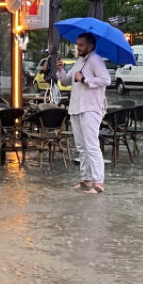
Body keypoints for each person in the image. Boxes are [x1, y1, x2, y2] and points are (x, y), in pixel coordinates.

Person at [55, 31, 112, 194]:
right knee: (81, 146)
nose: (78, 48)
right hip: (76, 108)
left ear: (90, 45)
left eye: (81, 45)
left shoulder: (95, 60)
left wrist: (85, 80)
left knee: (91, 145)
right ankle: (86, 179)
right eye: (77, 45)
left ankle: (99, 182)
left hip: (90, 108)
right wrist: (61, 70)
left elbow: (106, 79)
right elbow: (66, 81)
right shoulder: (79, 62)